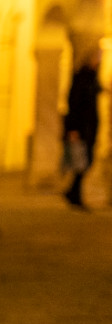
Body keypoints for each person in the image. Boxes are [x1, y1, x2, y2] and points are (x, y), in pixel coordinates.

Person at [63, 51, 101, 209]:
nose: (99, 60)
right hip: (81, 129)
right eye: (97, 56)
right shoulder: (81, 79)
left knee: (85, 162)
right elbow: (74, 105)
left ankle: (73, 192)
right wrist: (73, 129)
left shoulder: (91, 79)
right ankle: (74, 194)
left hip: (89, 128)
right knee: (82, 161)